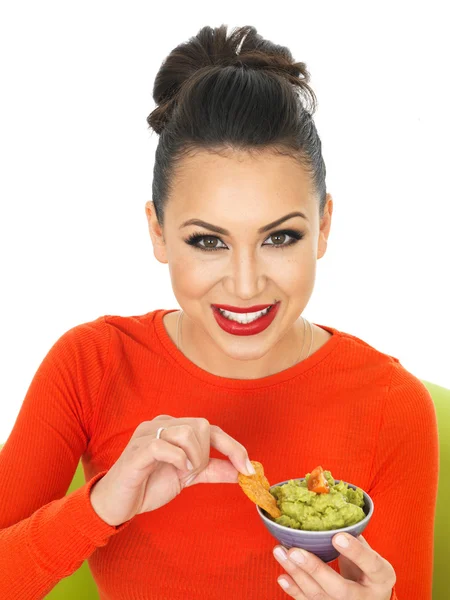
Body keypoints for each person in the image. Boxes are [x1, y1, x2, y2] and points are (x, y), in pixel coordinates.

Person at [0, 24, 438, 600]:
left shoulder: (392, 407)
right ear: (157, 232)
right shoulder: (91, 365)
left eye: (280, 237)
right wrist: (102, 505)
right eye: (208, 241)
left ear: (324, 226)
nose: (246, 283)